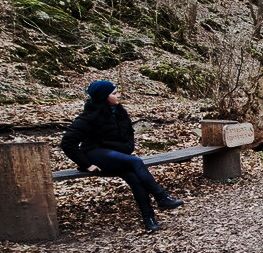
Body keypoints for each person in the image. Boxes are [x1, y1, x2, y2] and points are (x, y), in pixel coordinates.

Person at [61, 80, 183, 231]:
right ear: (104, 97)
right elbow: (67, 143)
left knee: (134, 177)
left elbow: (129, 134)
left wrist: (127, 148)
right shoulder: (89, 117)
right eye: (114, 93)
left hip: (117, 156)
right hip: (95, 155)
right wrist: (87, 165)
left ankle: (149, 219)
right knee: (136, 162)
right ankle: (162, 197)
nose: (119, 95)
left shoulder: (119, 112)